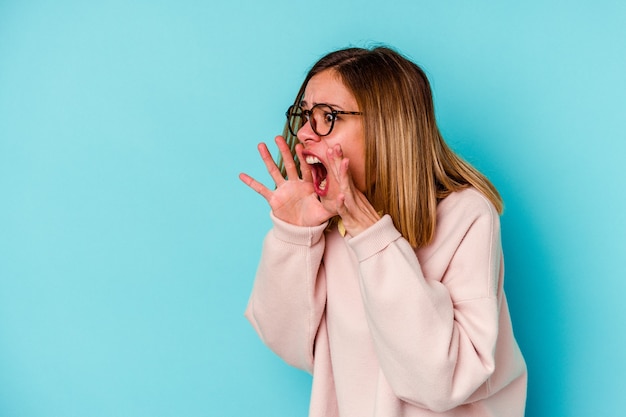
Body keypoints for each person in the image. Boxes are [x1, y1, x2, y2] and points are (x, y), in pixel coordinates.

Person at [238, 46, 527, 417]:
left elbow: (440, 383)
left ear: (385, 126)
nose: (306, 134)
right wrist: (295, 235)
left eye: (327, 116)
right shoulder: (327, 224)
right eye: (305, 116)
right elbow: (291, 345)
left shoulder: (467, 216)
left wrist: (369, 233)